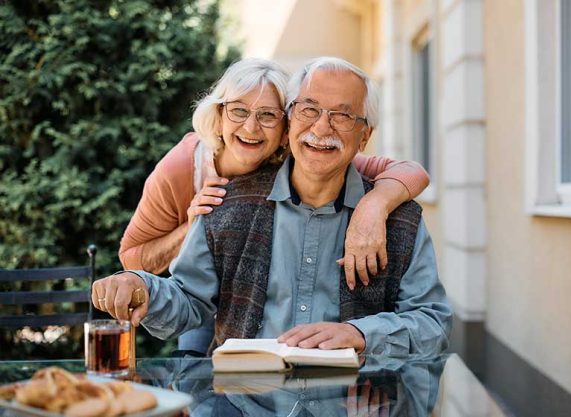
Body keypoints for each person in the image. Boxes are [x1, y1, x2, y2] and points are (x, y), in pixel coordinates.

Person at [95, 57, 452, 356]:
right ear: (292, 119)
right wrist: (141, 285)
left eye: (342, 116)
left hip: (358, 401)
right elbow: (189, 300)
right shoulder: (224, 204)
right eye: (309, 109)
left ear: (364, 136)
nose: (321, 127)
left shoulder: (400, 220)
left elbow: (433, 323)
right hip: (243, 403)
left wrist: (363, 335)